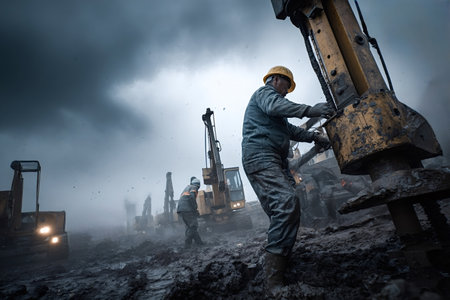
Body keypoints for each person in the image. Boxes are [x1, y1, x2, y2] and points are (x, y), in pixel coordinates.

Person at [241, 66, 333, 292]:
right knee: (286, 203)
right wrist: (311, 110)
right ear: (275, 80)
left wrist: (314, 137)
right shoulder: (264, 94)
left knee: (281, 211)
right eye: (286, 85)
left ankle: (279, 263)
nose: (286, 92)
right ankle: (273, 284)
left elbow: (291, 131)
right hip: (261, 155)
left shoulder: (276, 113)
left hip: (270, 159)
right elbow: (276, 105)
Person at [176, 176, 204, 248]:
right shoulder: (194, 188)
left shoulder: (187, 188)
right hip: (187, 209)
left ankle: (199, 243)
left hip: (181, 209)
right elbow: (192, 197)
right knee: (193, 225)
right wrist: (195, 209)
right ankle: (187, 245)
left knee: (190, 227)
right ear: (198, 185)